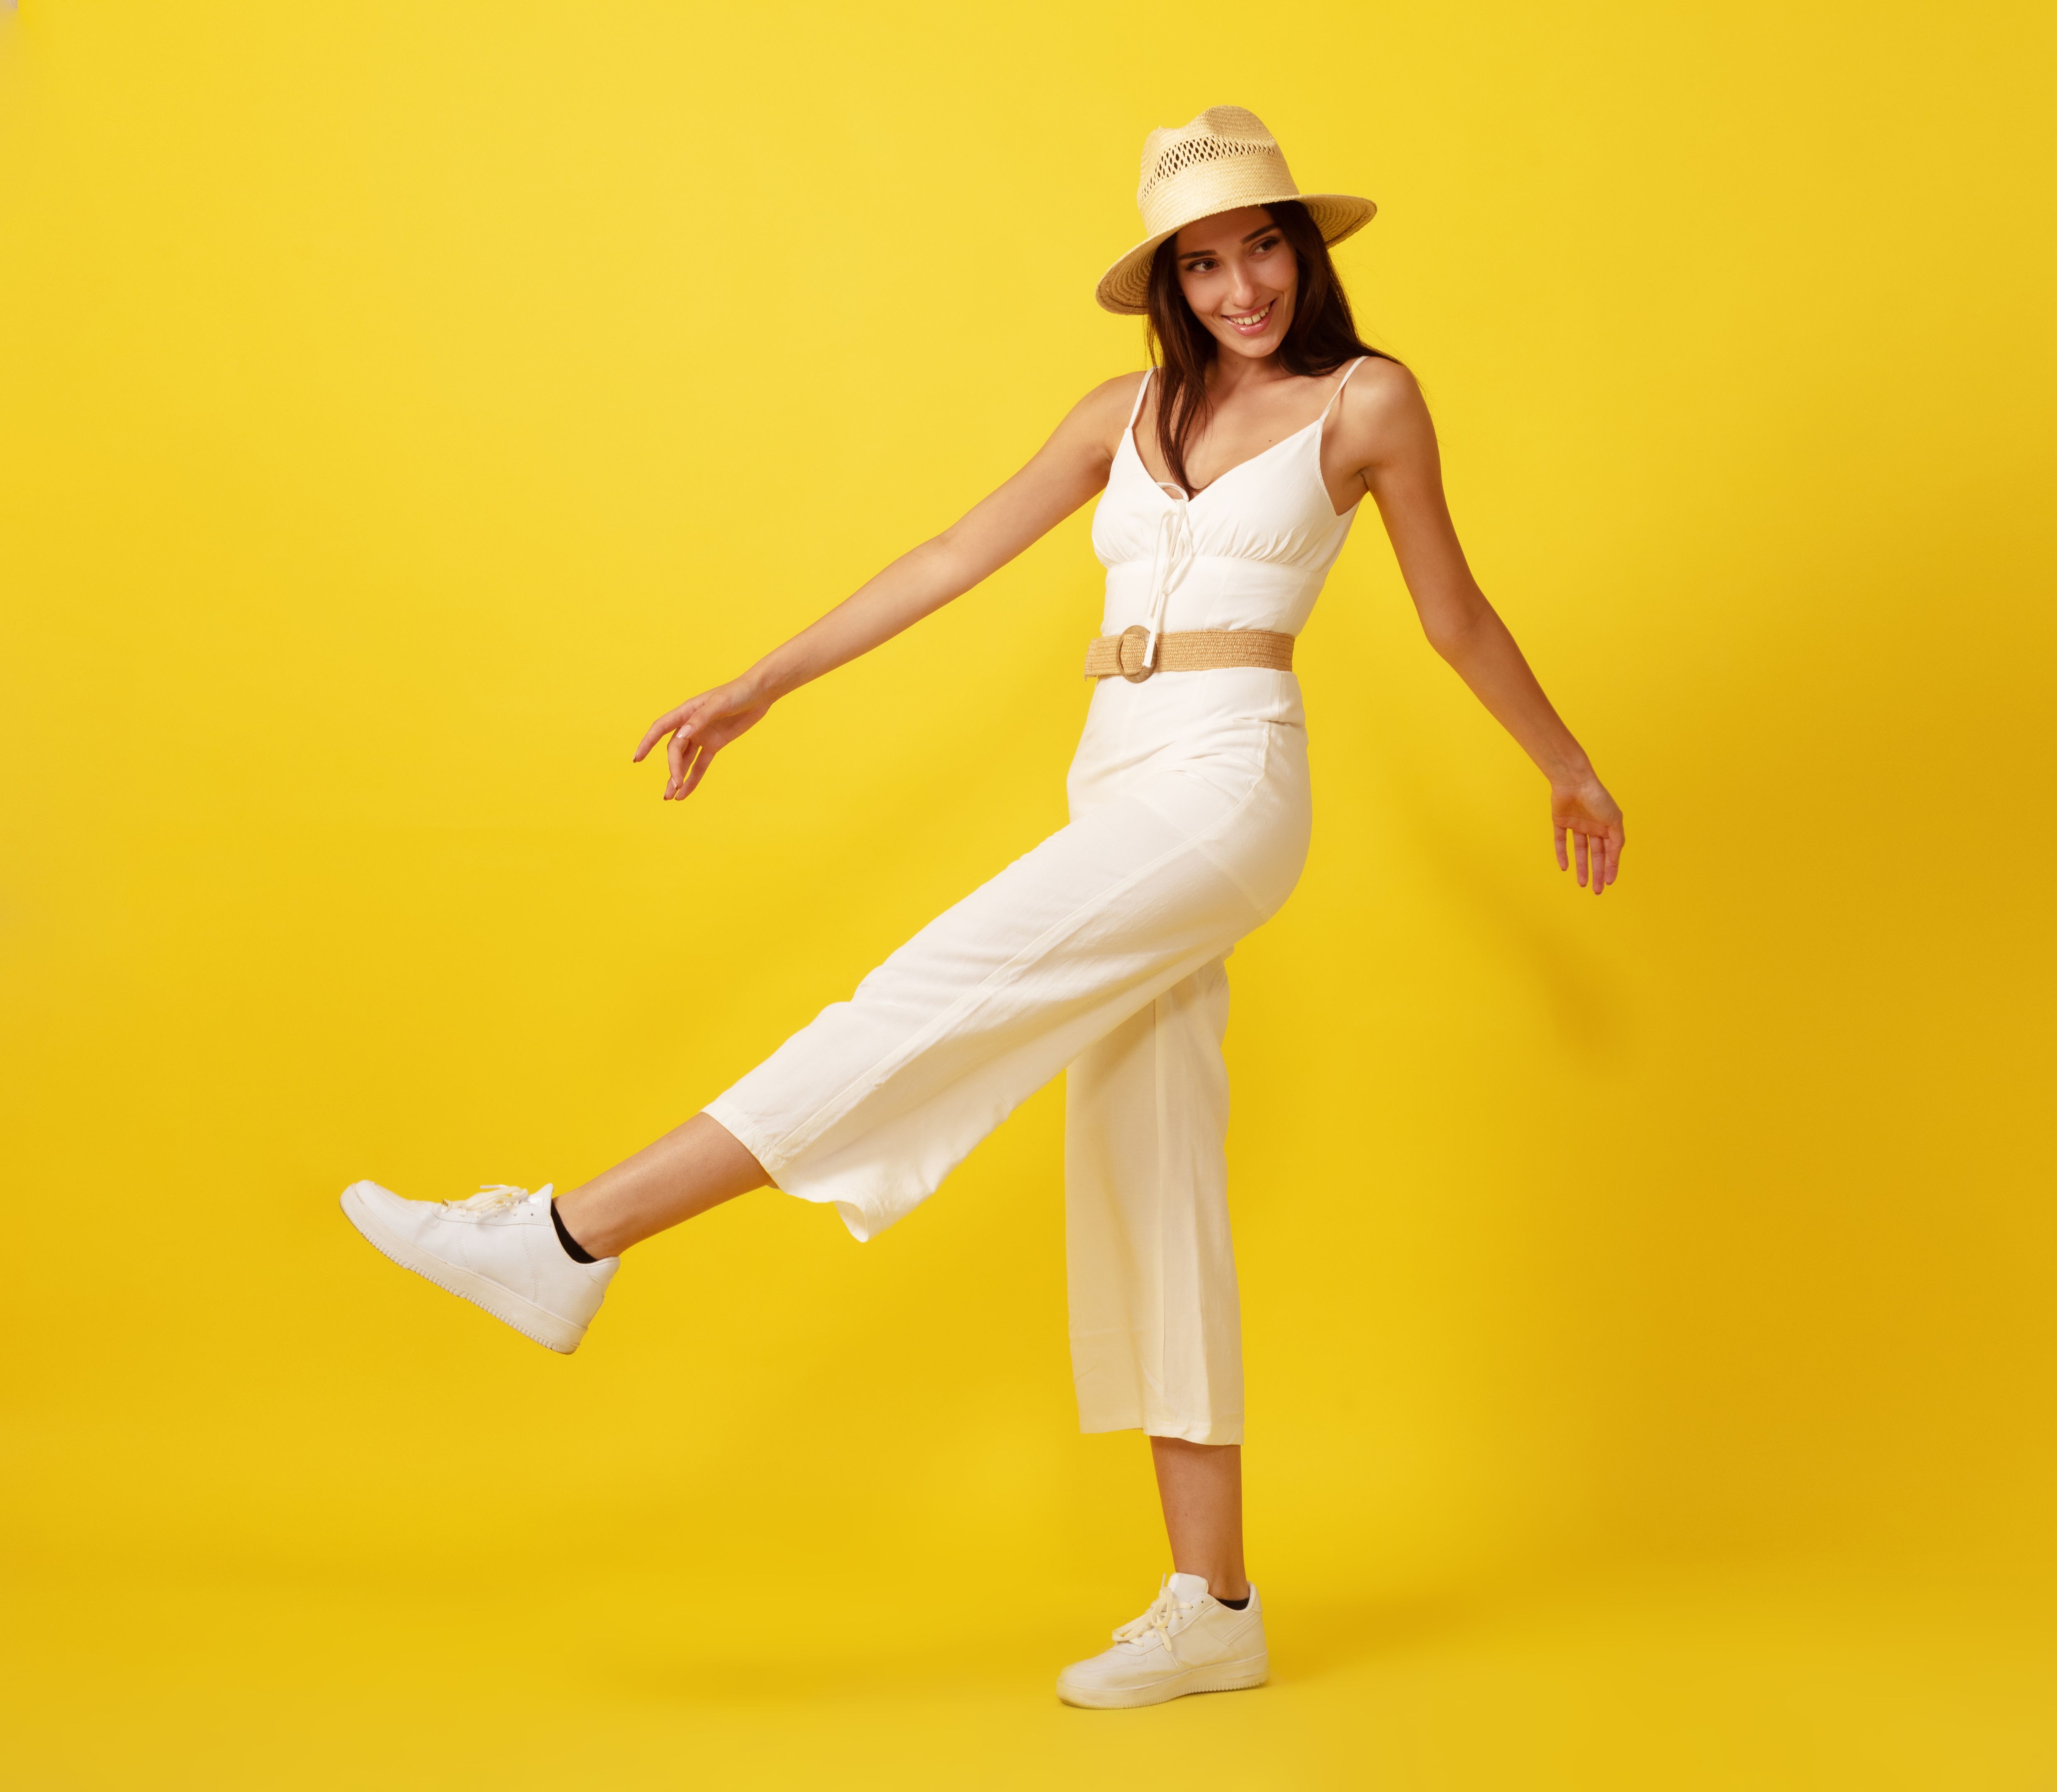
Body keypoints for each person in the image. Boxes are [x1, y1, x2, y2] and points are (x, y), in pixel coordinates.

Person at [340, 105, 1625, 1709]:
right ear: (1169, 279)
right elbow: (952, 555)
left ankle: (564, 1234)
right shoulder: (1119, 412)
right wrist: (764, 682)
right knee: (1153, 1165)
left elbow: (1451, 611)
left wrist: (1565, 768)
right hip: (1120, 767)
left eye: (1266, 247)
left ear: (1308, 246)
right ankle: (1212, 1600)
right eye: (1208, 262)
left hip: (1229, 781)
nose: (1243, 288)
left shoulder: (1366, 402)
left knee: (924, 996)